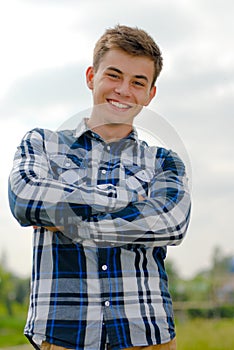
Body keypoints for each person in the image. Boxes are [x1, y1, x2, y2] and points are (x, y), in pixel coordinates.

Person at [8, 25, 191, 350]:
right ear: (92, 76)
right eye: (114, 75)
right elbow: (25, 198)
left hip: (148, 338)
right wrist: (130, 200)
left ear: (150, 94)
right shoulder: (43, 145)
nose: (123, 90)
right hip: (62, 337)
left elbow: (172, 223)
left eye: (138, 82)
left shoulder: (164, 161)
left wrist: (65, 214)